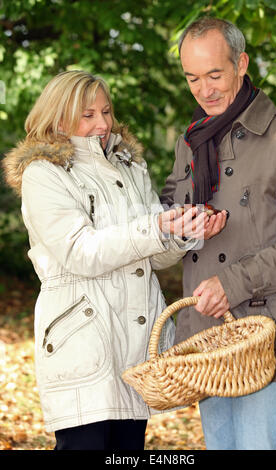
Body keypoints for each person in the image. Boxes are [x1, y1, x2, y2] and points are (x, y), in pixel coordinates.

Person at [2, 70, 224, 450]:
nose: (103, 124)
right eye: (88, 115)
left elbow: (152, 257)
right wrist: (153, 227)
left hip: (135, 342)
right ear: (59, 117)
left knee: (127, 452)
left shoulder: (128, 166)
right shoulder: (44, 174)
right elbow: (80, 253)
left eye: (105, 112)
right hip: (83, 336)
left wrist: (184, 231)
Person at [160, 17, 276, 450]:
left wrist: (233, 282)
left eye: (215, 74)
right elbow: (168, 209)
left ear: (241, 64)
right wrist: (181, 223)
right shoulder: (192, 139)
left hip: (259, 327)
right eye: (193, 79)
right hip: (204, 330)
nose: (205, 90)